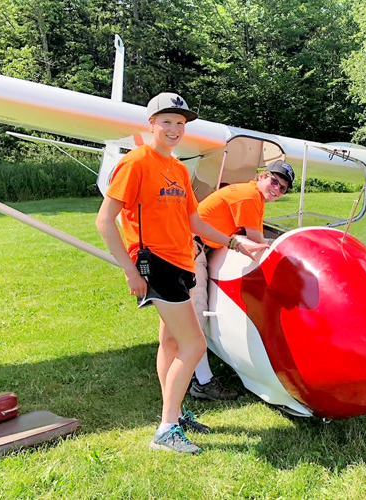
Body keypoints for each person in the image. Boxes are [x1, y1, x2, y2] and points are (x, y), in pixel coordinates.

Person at [95, 93, 267, 453]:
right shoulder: (137, 163)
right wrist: (130, 271)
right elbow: (104, 221)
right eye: (167, 121)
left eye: (181, 123)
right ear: (152, 123)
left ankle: (173, 414)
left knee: (172, 343)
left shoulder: (176, 169)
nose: (175, 129)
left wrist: (237, 244)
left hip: (182, 262)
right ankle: (166, 429)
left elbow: (195, 221)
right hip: (154, 264)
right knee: (194, 344)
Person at [188, 160, 295, 400]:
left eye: (283, 188)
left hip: (201, 244)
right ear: (263, 176)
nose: (276, 189)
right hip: (189, 248)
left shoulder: (253, 196)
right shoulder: (249, 197)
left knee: (193, 316)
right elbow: (257, 242)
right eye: (274, 181)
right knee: (197, 315)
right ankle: (201, 381)